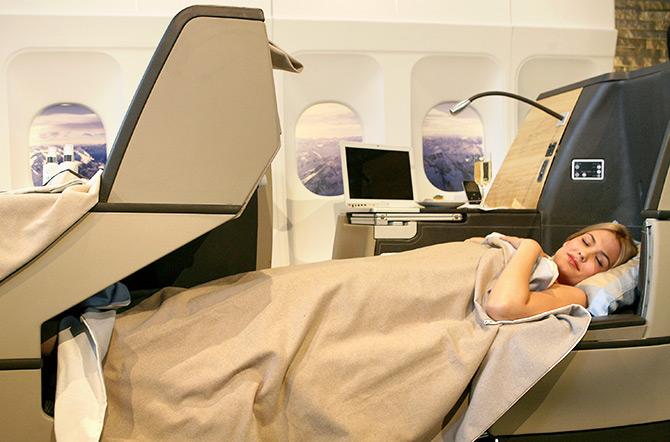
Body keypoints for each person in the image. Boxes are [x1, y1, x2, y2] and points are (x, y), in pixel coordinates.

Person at [486, 222, 638, 321]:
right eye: (586, 242)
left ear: (601, 275)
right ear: (569, 240)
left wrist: (530, 247)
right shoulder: (538, 260)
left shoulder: (575, 296)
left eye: (599, 261)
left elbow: (503, 307)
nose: (584, 254)